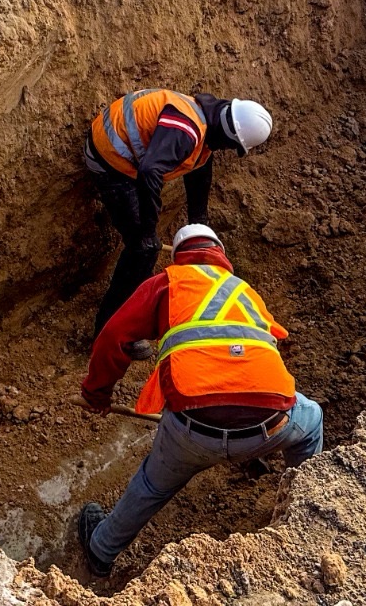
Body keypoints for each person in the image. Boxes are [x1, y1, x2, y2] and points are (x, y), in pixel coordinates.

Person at [75, 226, 324, 576]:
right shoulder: (246, 292)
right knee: (311, 420)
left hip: (192, 431)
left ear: (177, 257)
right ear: (222, 255)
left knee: (152, 484)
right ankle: (304, 510)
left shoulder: (166, 283)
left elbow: (113, 336)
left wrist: (96, 394)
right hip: (273, 424)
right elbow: (263, 357)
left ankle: (101, 549)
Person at [87, 90, 273, 340]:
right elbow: (150, 171)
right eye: (233, 146)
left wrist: (200, 223)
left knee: (147, 244)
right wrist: (148, 232)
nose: (229, 150)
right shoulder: (186, 130)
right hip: (110, 159)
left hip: (127, 155)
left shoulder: (206, 123)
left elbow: (200, 166)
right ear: (228, 136)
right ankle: (108, 333)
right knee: (142, 250)